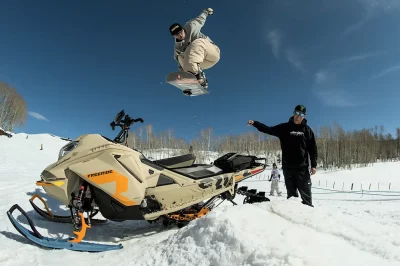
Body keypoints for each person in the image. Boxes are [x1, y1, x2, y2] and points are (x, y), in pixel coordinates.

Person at [248, 104, 318, 207]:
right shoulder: (284, 128)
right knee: (291, 198)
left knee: (307, 199)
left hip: (302, 169)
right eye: (297, 113)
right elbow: (269, 129)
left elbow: (313, 149)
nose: (299, 116)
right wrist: (255, 123)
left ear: (304, 116)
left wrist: (314, 165)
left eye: (302, 114)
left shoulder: (307, 130)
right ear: (294, 113)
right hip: (288, 169)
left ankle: (308, 221)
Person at [169, 8, 221, 89]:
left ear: (183, 29)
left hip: (211, 53)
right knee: (180, 56)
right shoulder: (177, 47)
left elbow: (200, 19)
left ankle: (198, 77)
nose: (180, 35)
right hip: (201, 62)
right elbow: (180, 63)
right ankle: (191, 80)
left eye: (180, 32)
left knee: (196, 43)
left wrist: (206, 12)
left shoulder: (191, 26)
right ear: (174, 36)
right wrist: (183, 77)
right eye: (177, 34)